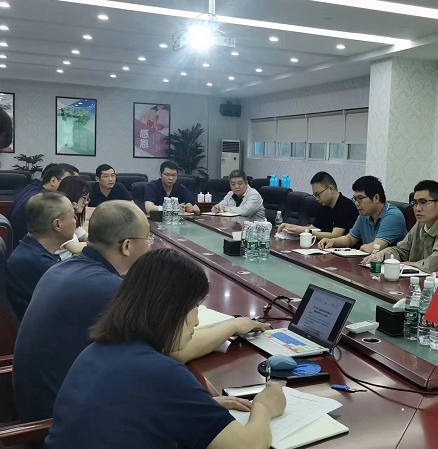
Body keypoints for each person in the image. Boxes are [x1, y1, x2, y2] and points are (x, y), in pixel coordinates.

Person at [13, 200, 270, 421]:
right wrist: (233, 325)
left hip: (41, 402)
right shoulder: (110, 290)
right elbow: (176, 349)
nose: (149, 246)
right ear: (126, 246)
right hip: (62, 418)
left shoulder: (62, 268)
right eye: (147, 239)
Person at [44, 249, 286, 449]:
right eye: (194, 306)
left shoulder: (97, 350)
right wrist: (264, 407)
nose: (196, 321)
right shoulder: (161, 373)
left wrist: (196, 408)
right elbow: (250, 445)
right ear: (169, 310)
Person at [362, 180, 438, 273]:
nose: (417, 208)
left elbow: (432, 266)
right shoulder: (422, 222)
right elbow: (401, 251)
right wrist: (379, 256)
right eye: (415, 203)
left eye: (423, 202)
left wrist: (407, 264)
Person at [6, 191, 76, 322]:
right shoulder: (41, 265)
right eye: (73, 216)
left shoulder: (29, 249)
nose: (75, 220)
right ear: (57, 225)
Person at [318, 175, 407, 254]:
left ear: (376, 198)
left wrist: (362, 247)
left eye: (360, 198)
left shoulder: (393, 216)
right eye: (355, 199)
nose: (356, 203)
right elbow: (350, 239)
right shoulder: (364, 215)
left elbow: (374, 248)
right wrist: (332, 241)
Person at [9, 163, 78, 247]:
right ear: (53, 181)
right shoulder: (44, 201)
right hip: (29, 247)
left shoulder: (33, 188)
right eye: (70, 182)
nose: (74, 187)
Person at [277, 171, 357, 239]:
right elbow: (313, 228)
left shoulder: (346, 206)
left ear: (331, 189)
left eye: (318, 194)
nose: (316, 199)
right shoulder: (325, 205)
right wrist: (290, 227)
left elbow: (335, 235)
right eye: (315, 195)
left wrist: (306, 232)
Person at [56, 176, 92, 259]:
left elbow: (84, 236)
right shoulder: (61, 217)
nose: (86, 203)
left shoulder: (71, 217)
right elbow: (75, 248)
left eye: (87, 199)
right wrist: (104, 246)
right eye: (84, 198)